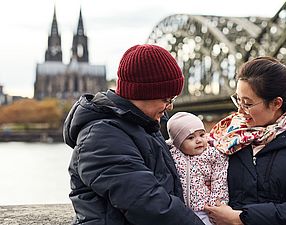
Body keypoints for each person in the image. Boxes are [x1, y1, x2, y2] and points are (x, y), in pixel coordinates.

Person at [63, 44, 205, 225]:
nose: (170, 106)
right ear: (142, 93)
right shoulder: (101, 136)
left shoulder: (142, 124)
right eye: (166, 99)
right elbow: (149, 205)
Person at [204, 56, 286, 225]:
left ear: (276, 103)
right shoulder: (226, 137)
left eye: (247, 104)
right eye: (238, 100)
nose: (240, 111)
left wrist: (240, 218)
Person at [166, 112, 229, 225]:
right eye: (191, 137)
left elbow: (219, 179)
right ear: (178, 143)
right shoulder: (173, 155)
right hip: (182, 210)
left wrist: (215, 204)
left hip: (205, 209)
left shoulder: (212, 155)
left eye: (202, 135)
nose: (199, 140)